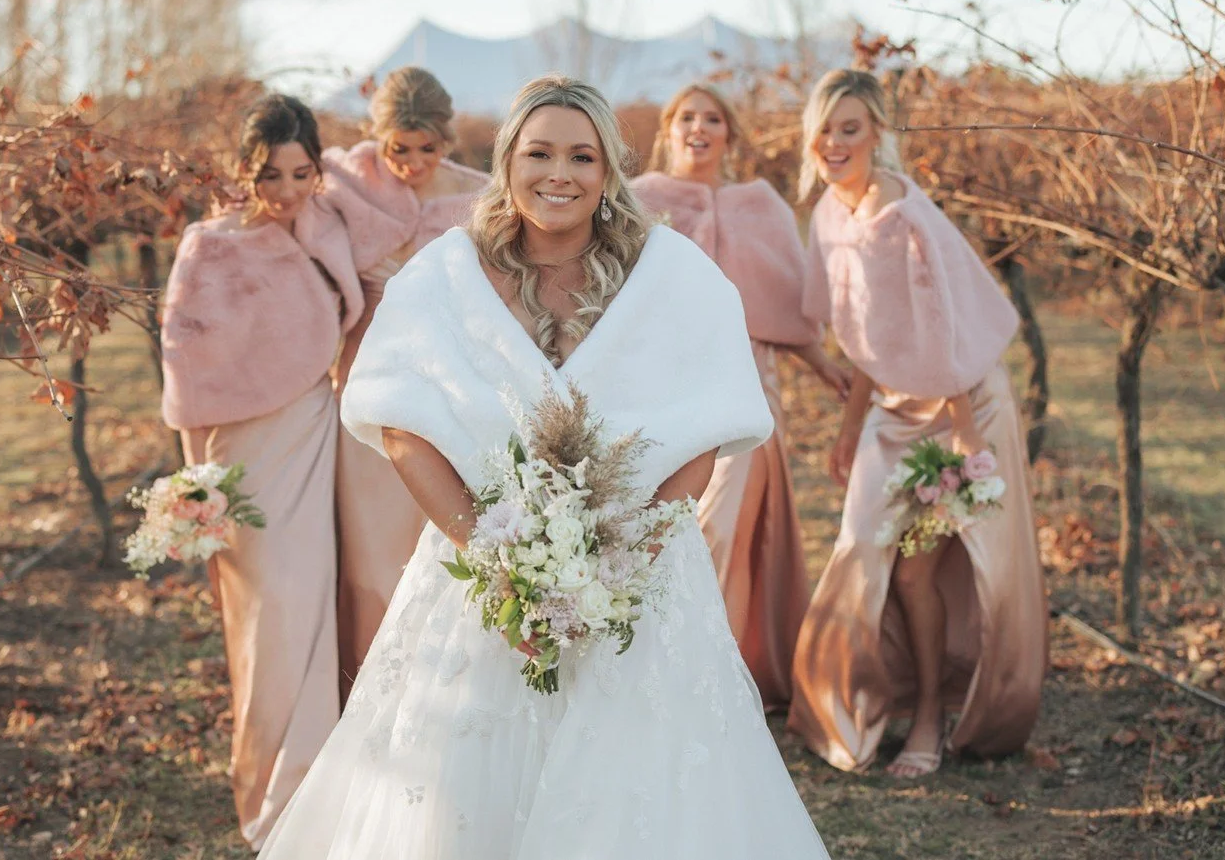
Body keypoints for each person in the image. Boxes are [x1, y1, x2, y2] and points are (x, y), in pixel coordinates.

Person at [257, 76, 833, 859]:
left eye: (581, 155)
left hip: (642, 579)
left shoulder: (671, 274)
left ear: (608, 172)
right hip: (482, 581)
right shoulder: (444, 276)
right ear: (506, 161)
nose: (558, 173)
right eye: (538, 153)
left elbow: (707, 428)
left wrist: (625, 559)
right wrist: (495, 561)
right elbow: (401, 426)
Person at [787, 69, 1047, 778]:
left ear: (877, 134)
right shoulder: (827, 217)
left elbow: (942, 329)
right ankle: (840, 701)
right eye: (824, 128)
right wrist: (848, 428)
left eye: (850, 128)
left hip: (960, 406)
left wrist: (964, 437)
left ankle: (931, 716)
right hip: (890, 408)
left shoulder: (902, 213)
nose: (834, 142)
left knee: (916, 569)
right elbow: (868, 336)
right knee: (860, 540)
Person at [159, 94, 365, 848]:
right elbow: (183, 379)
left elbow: (421, 189)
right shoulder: (208, 245)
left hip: (318, 431)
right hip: (240, 459)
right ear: (244, 171)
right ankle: (271, 797)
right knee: (269, 616)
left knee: (320, 607)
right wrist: (195, 486)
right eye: (269, 174)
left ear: (320, 167)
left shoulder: (331, 226)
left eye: (301, 171)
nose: (284, 190)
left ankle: (322, 786)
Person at [632, 82, 848, 709]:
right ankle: (653, 672)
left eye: (713, 118)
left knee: (720, 527)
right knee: (660, 529)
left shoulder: (761, 206)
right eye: (687, 117)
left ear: (730, 133)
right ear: (669, 129)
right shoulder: (639, 202)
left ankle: (709, 682)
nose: (699, 128)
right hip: (660, 393)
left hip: (746, 389)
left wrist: (825, 367)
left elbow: (782, 304)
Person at [301, 66, 489, 696]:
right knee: (372, 540)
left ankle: (448, 686)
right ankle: (371, 691)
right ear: (375, 138)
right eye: (396, 148)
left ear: (447, 139)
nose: (411, 162)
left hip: (450, 380)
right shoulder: (343, 184)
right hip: (367, 376)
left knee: (440, 531)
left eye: (426, 148)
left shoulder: (479, 195)